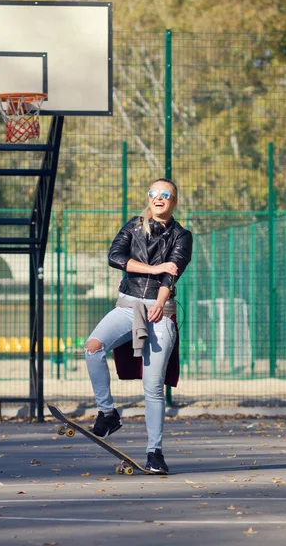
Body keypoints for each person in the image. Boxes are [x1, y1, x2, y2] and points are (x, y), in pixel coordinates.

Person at [84, 178, 193, 473]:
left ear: (174, 201)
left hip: (160, 311)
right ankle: (108, 413)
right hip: (128, 306)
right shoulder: (134, 226)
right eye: (154, 193)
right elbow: (115, 257)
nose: (159, 198)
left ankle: (154, 452)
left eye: (165, 194)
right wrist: (154, 268)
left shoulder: (182, 236)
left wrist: (159, 303)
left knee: (153, 386)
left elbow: (173, 273)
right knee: (93, 348)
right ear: (149, 198)